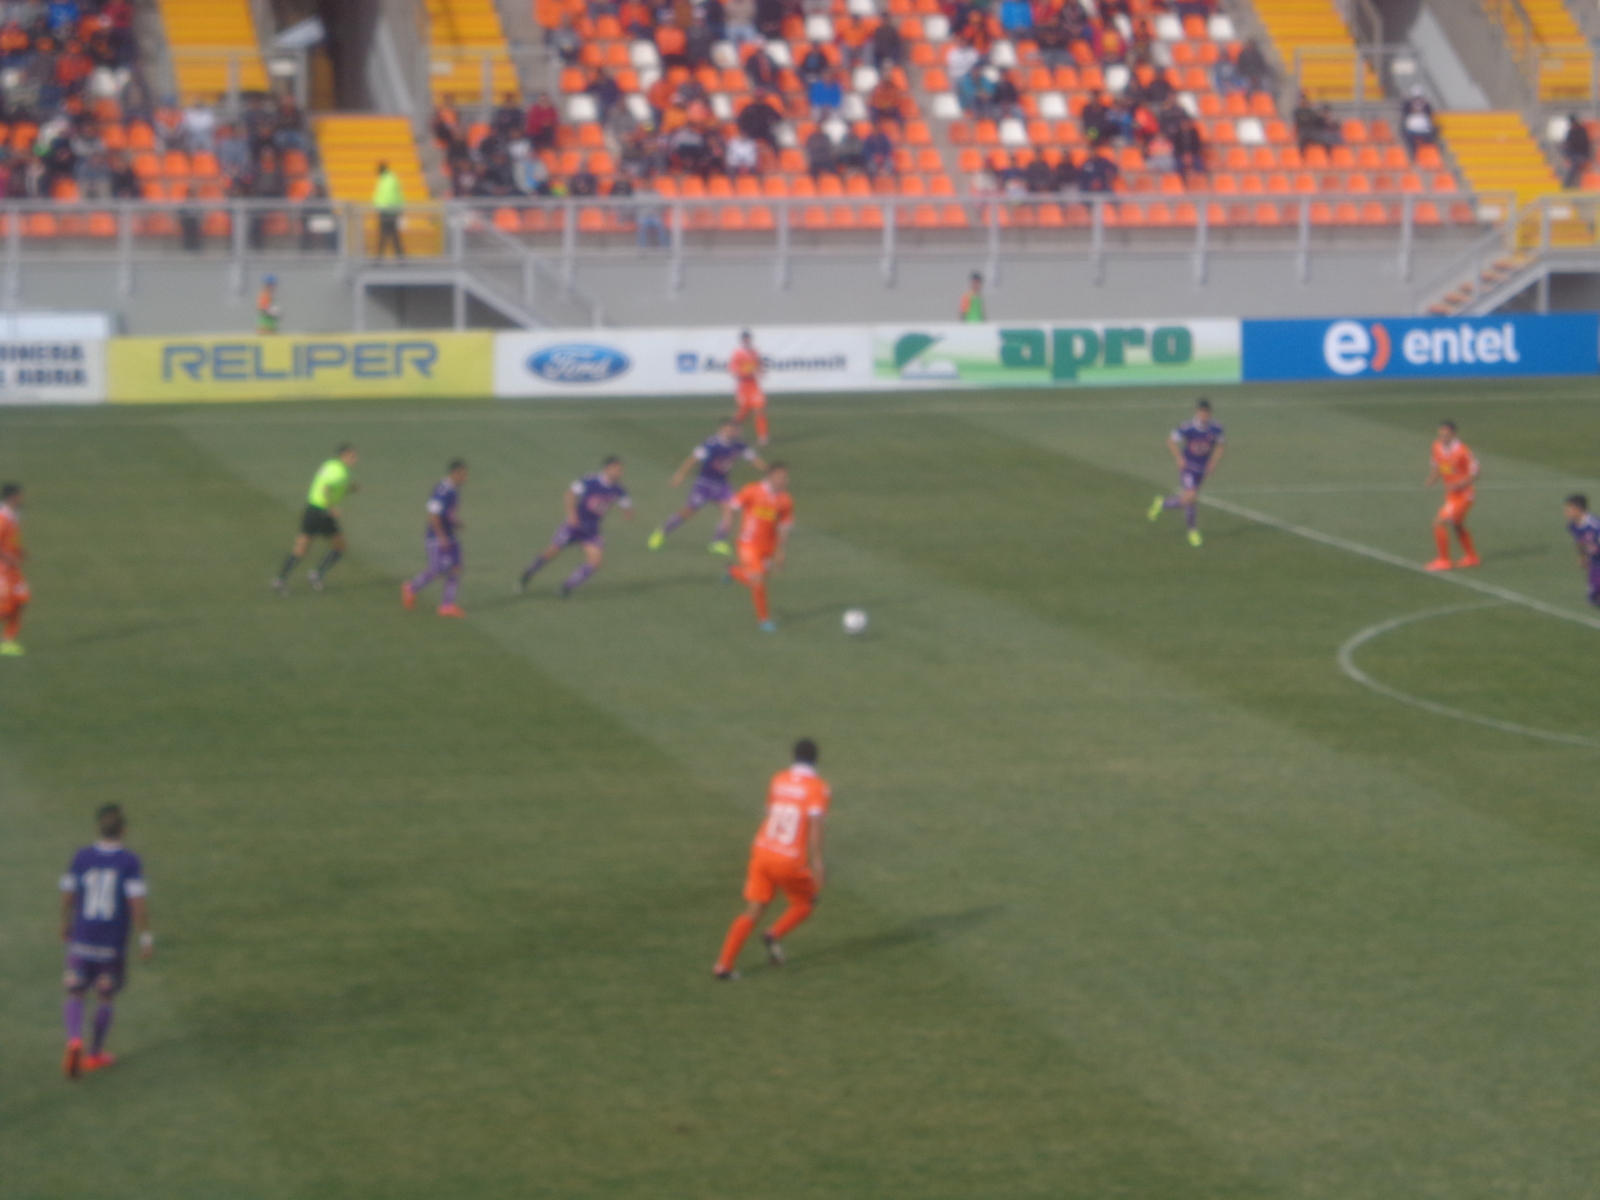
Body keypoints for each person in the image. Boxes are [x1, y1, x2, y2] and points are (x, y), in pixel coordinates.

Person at [713, 738, 830, 979]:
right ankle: (773, 935)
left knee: (753, 909)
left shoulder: (778, 779)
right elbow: (815, 827)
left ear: (792, 757)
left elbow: (771, 812)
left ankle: (723, 966)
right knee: (805, 903)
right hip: (788, 860)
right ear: (816, 760)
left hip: (762, 851)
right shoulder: (818, 788)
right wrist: (817, 862)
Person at [60, 804, 153, 1078]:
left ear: (98, 829)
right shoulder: (129, 862)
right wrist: (146, 938)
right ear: (123, 831)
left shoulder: (81, 856)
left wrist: (65, 922)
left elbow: (68, 892)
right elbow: (137, 904)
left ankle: (74, 1038)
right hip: (111, 945)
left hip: (81, 939)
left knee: (75, 991)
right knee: (105, 997)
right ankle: (94, 1054)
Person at [649, 418, 768, 555]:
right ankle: (661, 532)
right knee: (689, 511)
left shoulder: (740, 445)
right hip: (704, 483)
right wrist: (680, 475)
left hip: (722, 484)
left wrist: (769, 473)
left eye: (733, 429)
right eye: (728, 429)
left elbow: (755, 459)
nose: (731, 432)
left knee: (731, 510)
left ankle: (717, 542)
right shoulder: (711, 444)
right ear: (721, 430)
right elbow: (692, 459)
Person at [518, 456, 633, 596]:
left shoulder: (618, 489)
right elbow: (570, 494)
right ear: (608, 468)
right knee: (552, 552)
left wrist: (627, 513)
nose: (621, 473)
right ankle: (527, 575)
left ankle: (565, 587)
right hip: (574, 526)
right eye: (618, 469)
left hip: (592, 530)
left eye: (621, 470)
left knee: (596, 562)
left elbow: (626, 504)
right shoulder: (590, 480)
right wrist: (572, 515)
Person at [272, 444, 358, 594]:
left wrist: (351, 489)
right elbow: (326, 489)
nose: (355, 459)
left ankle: (280, 579)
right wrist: (331, 508)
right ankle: (316, 575)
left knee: (301, 549)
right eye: (352, 456)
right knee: (339, 546)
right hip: (323, 512)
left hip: (311, 510)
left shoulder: (331, 465)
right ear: (343, 456)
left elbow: (333, 487)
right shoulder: (340, 472)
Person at [1148, 398, 1225, 547]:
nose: (1203, 416)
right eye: (1201, 414)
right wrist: (1179, 458)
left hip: (1201, 470)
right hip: (1188, 468)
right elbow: (1171, 440)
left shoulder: (1216, 428)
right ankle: (1192, 531)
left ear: (1209, 414)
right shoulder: (1188, 428)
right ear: (1197, 413)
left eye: (1206, 414)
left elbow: (1221, 446)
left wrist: (1213, 463)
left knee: (1190, 500)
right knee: (1191, 496)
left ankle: (1163, 503)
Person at [726, 462, 792, 632]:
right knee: (758, 580)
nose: (786, 480)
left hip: (769, 547)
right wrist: (728, 522)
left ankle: (733, 572)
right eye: (783, 477)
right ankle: (764, 620)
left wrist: (780, 551)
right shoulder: (752, 490)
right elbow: (733, 505)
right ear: (771, 476)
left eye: (786, 477)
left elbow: (784, 526)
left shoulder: (785, 500)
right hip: (748, 544)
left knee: (755, 580)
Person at [401, 459, 469, 618]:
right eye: (464, 474)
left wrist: (455, 522)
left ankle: (447, 605)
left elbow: (447, 513)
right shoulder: (442, 490)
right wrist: (441, 536)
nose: (466, 478)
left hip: (450, 535)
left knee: (456, 568)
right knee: (437, 569)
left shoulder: (453, 489)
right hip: (437, 537)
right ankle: (411, 588)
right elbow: (433, 515)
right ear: (455, 473)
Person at [1425, 420, 1479, 570]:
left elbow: (1476, 472)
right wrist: (1432, 479)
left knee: (1438, 523)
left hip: (1464, 495)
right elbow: (1437, 464)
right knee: (1457, 525)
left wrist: (1460, 483)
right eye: (1440, 433)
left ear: (1453, 434)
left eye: (1446, 434)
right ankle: (1472, 557)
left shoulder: (1462, 451)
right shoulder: (1437, 446)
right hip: (1451, 495)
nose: (1442, 436)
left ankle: (1444, 560)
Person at [0, 482, 28, 655]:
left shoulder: (12, 515)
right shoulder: (2, 517)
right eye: (19, 496)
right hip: (3, 569)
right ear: (12, 497)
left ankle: (8, 641)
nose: (22, 499)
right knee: (5, 607)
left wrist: (19, 552)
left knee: (22, 599)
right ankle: (7, 642)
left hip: (13, 569)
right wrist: (8, 556)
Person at [729, 329, 769, 445]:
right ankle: (729, 430)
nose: (746, 341)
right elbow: (733, 370)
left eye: (748, 339)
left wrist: (760, 371)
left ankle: (763, 437)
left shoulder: (755, 352)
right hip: (743, 387)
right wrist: (747, 372)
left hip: (754, 386)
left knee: (760, 410)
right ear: (742, 340)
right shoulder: (737, 353)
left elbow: (759, 365)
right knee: (743, 413)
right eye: (744, 339)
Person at [1565, 494, 1600, 606]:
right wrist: (1583, 557)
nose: (1566, 513)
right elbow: (1580, 542)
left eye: (1569, 509)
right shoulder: (1573, 526)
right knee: (1593, 598)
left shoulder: (1595, 526)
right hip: (1595, 564)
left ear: (1578, 509)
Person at [372, 161, 405, 258]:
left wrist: (377, 207)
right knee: (394, 235)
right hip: (393, 210)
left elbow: (382, 196)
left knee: (385, 235)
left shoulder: (384, 180)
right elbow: (397, 195)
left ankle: (380, 257)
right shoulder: (392, 178)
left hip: (385, 211)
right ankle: (400, 258)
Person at [1400, 88, 1436, 159]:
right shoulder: (1408, 105)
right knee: (1412, 142)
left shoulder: (1425, 105)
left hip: (1422, 126)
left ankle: (1426, 155)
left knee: (1428, 141)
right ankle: (1416, 155)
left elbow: (1429, 113)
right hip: (1414, 126)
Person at [1562, 113, 1592, 189]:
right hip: (1572, 153)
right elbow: (1567, 143)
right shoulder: (1570, 131)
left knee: (1574, 165)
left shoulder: (1582, 131)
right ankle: (1568, 184)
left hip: (1581, 153)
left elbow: (1583, 144)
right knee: (1571, 160)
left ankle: (1567, 184)